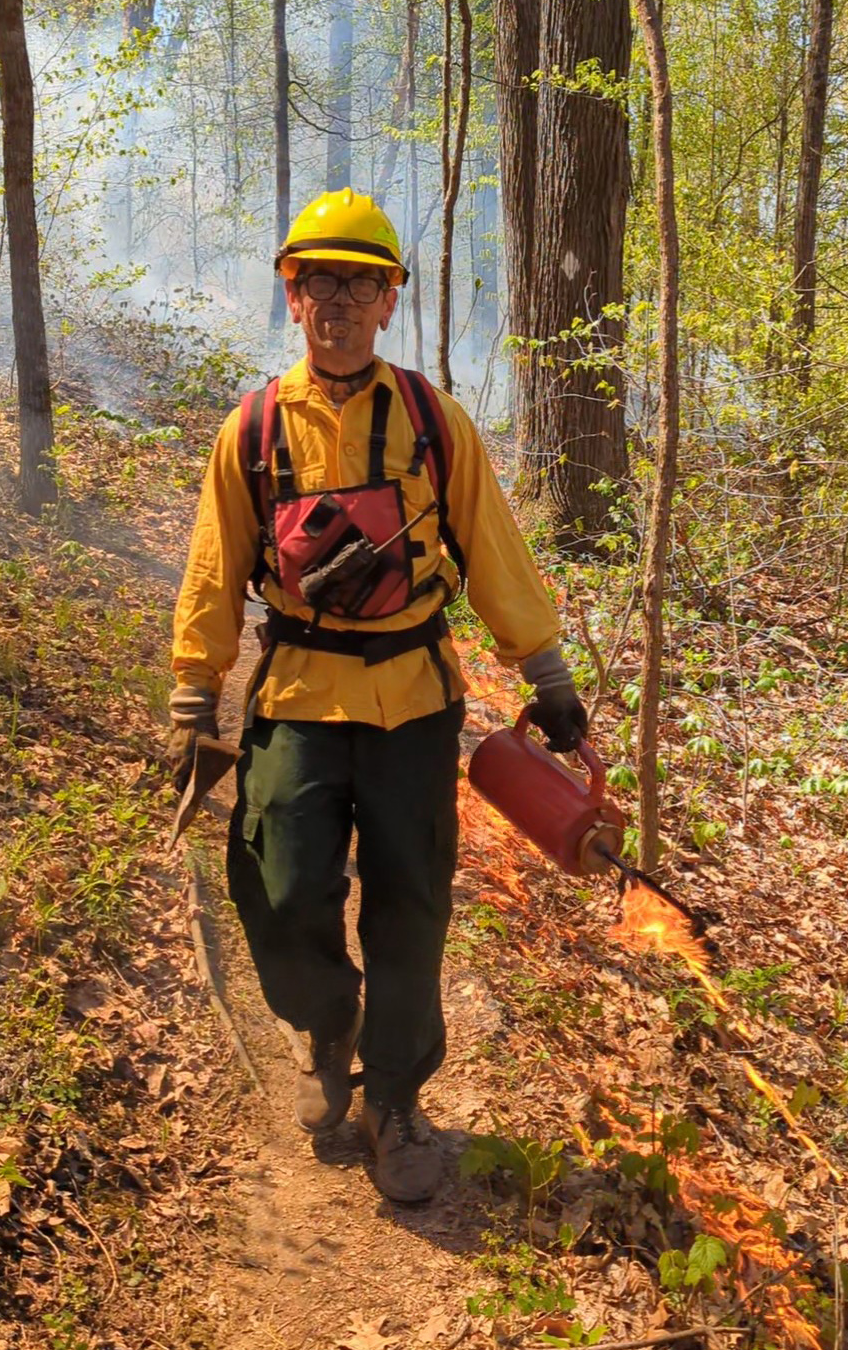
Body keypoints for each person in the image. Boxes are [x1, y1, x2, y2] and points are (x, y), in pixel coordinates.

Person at [168, 187, 586, 1203]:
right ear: (293, 296)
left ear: (391, 300)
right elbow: (214, 568)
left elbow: (494, 550)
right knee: (277, 889)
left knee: (411, 908)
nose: (339, 303)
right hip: (297, 699)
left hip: (412, 703)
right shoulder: (253, 429)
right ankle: (328, 1029)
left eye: (361, 284)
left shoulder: (434, 423)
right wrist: (193, 695)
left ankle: (394, 1102)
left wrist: (548, 675)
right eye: (320, 282)